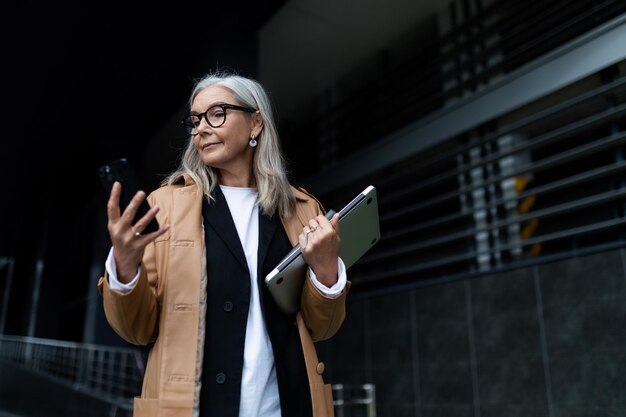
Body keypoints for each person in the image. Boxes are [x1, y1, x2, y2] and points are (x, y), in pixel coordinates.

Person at [97, 70, 350, 417]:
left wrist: (326, 270)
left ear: (256, 123)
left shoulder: (302, 209)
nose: (201, 128)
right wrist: (125, 268)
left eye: (217, 114)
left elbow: (323, 328)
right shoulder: (166, 205)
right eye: (196, 119)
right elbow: (136, 329)